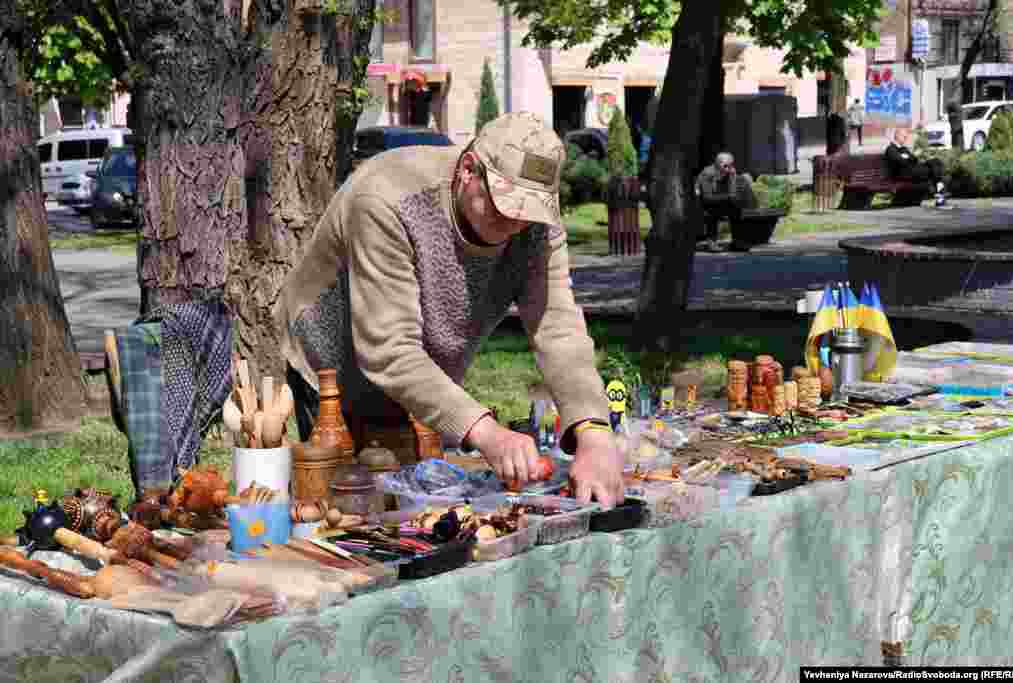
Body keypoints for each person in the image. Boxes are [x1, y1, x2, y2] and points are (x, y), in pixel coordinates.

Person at [274, 112, 625, 508]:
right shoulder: (387, 197)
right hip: (335, 370)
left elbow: (557, 326)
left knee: (417, 510)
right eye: (503, 207)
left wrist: (594, 432)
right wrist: (486, 432)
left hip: (424, 376)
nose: (514, 225)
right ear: (468, 170)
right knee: (345, 512)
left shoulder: (536, 221)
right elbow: (389, 350)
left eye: (526, 215)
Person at [695, 151, 757, 253]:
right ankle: (712, 242)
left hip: (721, 201)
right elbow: (707, 197)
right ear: (717, 164)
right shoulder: (707, 174)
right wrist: (730, 197)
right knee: (711, 212)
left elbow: (732, 193)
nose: (728, 169)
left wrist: (733, 179)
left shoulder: (730, 173)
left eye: (731, 165)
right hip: (703, 204)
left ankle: (738, 241)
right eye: (725, 166)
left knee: (736, 209)